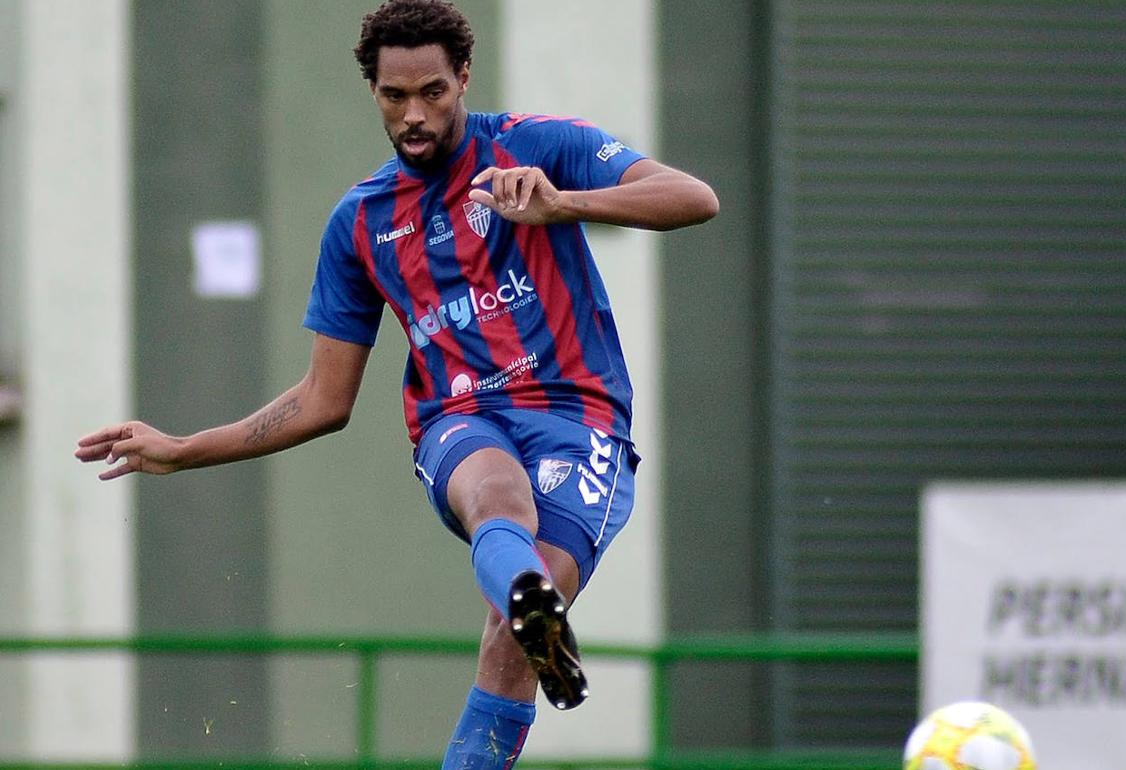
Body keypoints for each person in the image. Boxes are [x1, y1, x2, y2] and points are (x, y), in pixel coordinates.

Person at [75, 0, 717, 766]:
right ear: (372, 91)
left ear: (464, 78)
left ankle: (530, 613)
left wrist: (562, 206)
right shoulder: (362, 222)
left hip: (579, 420)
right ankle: (532, 603)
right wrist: (184, 448)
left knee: (506, 644)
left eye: (433, 93)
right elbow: (322, 400)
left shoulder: (537, 147)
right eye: (394, 96)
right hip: (459, 418)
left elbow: (694, 198)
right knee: (494, 500)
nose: (414, 114)